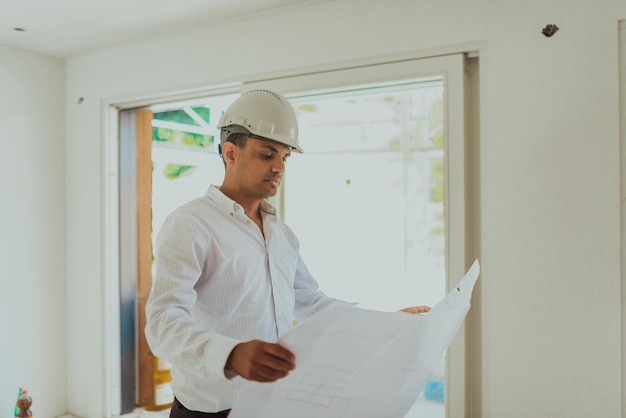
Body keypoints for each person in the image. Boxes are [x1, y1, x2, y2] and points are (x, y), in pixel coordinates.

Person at [144, 89, 430, 418]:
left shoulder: (282, 236)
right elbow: (163, 323)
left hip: (274, 405)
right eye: (267, 154)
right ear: (230, 153)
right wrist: (231, 354)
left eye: (285, 157)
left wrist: (384, 324)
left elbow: (314, 305)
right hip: (213, 411)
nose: (279, 167)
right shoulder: (190, 225)